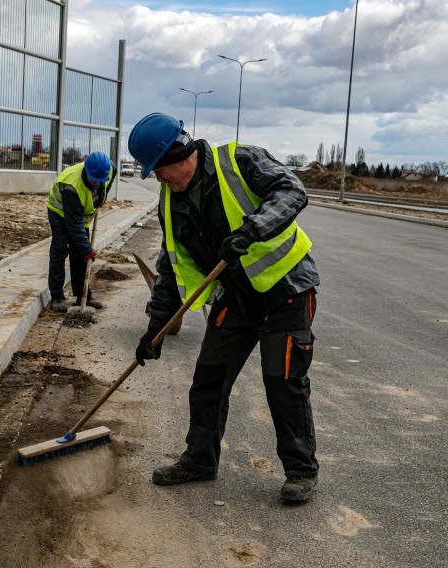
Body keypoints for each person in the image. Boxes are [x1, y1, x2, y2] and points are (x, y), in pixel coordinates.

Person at [127, 113, 320, 502]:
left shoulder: (238, 160)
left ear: (179, 155)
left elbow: (292, 191)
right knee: (208, 381)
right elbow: (171, 266)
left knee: (283, 383)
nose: (156, 179)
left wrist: (252, 229)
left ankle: (300, 471)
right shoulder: (170, 202)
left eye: (158, 170)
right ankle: (199, 461)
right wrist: (155, 327)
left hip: (286, 292)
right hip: (234, 300)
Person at [46, 151, 115, 312]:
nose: (97, 184)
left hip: (79, 216)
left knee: (80, 255)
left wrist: (102, 197)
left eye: (101, 181)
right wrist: (87, 249)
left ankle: (83, 295)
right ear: (86, 171)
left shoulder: (108, 169)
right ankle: (56, 297)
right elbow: (73, 224)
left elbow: (112, 175)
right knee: (60, 250)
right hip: (60, 212)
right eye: (94, 180)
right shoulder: (72, 184)